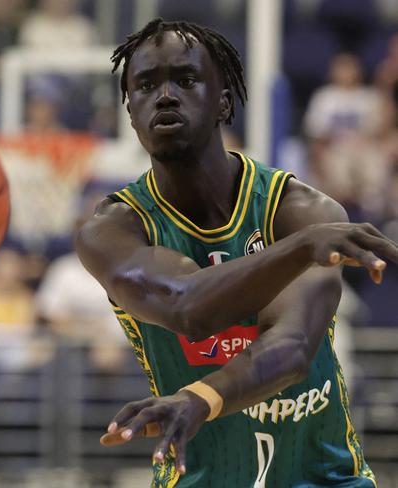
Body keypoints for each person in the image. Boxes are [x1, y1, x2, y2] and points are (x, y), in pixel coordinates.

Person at [75, 18, 398, 487]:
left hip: (325, 479)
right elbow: (186, 307)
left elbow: (291, 349)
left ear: (224, 101)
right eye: (145, 85)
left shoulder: (298, 210)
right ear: (130, 113)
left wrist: (200, 398)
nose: (165, 95)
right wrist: (300, 250)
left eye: (185, 80)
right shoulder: (112, 230)